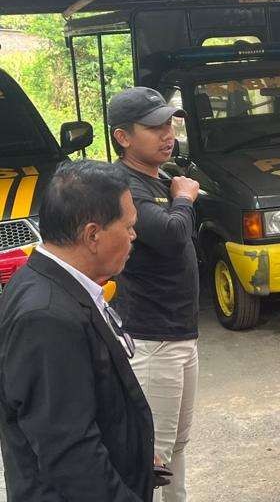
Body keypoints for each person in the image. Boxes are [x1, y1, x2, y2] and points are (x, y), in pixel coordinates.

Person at [0, 160, 155, 501]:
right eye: (128, 227)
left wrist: (138, 453)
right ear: (92, 235)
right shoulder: (46, 317)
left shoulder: (46, 280)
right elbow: (69, 453)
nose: (134, 236)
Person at [109, 87, 200, 502]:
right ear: (123, 137)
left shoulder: (157, 177)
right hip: (152, 338)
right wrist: (183, 199)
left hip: (180, 333)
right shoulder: (124, 185)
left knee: (175, 447)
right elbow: (169, 234)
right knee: (153, 454)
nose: (167, 134)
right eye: (154, 127)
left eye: (169, 124)